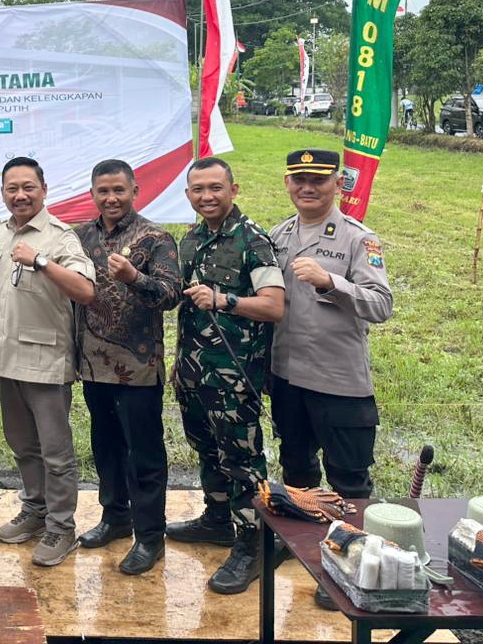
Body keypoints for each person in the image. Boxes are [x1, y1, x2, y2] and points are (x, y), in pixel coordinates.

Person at [269, 149, 393, 609]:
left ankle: (347, 560)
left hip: (339, 381)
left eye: (318, 180)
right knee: (297, 469)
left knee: (348, 480)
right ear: (287, 183)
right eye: (299, 179)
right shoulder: (278, 235)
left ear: (338, 184)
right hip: (287, 377)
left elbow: (381, 304)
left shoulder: (359, 239)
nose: (307, 187)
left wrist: (330, 282)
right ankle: (305, 546)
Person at [167, 157, 285, 595]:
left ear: (233, 190)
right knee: (207, 450)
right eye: (198, 190)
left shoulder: (252, 240)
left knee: (242, 461)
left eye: (215, 188)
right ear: (188, 195)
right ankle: (216, 520)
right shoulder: (192, 239)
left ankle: (253, 543)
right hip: (194, 372)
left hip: (235, 376)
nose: (207, 197)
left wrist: (224, 300)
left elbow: (274, 305)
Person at [73, 159, 181, 576]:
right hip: (93, 364)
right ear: (92, 194)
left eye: (119, 190)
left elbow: (171, 295)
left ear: (135, 191)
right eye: (103, 191)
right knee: (106, 448)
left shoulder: (155, 238)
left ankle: (150, 536)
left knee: (144, 455)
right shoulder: (81, 236)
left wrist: (135, 276)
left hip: (138, 369)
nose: (111, 198)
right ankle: (115, 517)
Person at [0, 156, 95, 567]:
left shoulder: (60, 237)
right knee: (22, 445)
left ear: (44, 190)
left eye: (28, 187)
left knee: (56, 453)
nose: (20, 195)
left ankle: (61, 527)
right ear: (2, 193)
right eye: (12, 188)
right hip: (8, 359)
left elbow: (85, 291)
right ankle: (35, 510)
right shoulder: (0, 233)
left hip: (46, 362)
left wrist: (41, 261)